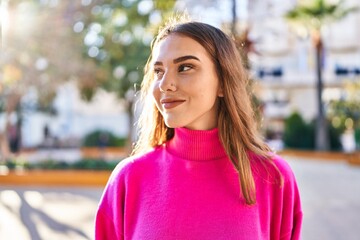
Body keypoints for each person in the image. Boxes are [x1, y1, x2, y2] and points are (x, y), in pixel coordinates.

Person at [95, 18, 302, 240]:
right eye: (158, 71)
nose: (165, 84)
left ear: (223, 82)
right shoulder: (128, 179)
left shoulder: (273, 177)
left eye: (185, 67)